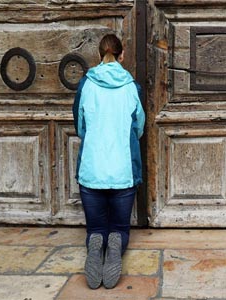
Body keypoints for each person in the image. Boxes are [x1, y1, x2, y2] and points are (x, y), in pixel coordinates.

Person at [72, 33, 145, 289]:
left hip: (92, 171)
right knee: (120, 227)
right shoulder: (132, 87)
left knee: (95, 227)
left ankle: (95, 242)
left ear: (99, 56)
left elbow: (80, 127)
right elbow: (139, 129)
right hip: (123, 172)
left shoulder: (86, 85)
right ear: (121, 55)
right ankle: (116, 242)